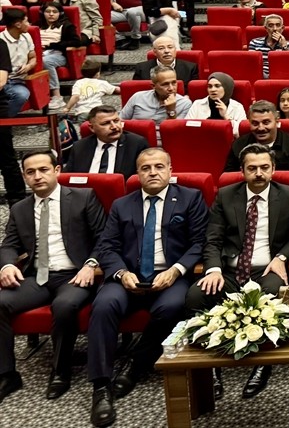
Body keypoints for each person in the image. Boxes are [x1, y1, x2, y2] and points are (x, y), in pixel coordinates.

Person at [86, 149, 209, 424]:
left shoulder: (190, 198)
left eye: (158, 166)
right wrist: (119, 273)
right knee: (104, 305)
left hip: (170, 277)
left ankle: (135, 365)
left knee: (174, 306)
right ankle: (101, 386)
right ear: (137, 173)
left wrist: (176, 271)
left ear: (170, 169)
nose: (152, 172)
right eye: (145, 168)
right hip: (128, 277)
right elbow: (107, 246)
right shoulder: (121, 205)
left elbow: (200, 243)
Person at [185, 144, 289, 399]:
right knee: (197, 296)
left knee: (271, 292)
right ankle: (211, 369)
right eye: (252, 168)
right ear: (242, 170)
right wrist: (213, 270)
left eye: (264, 168)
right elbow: (213, 238)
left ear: (273, 169)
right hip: (229, 270)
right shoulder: (227, 195)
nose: (259, 173)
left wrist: (282, 257)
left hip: (266, 268)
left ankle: (263, 364)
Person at [0, 151, 106, 404]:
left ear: (57, 170)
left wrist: (91, 264)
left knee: (65, 305)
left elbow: (105, 237)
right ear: (25, 176)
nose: (37, 176)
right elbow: (9, 245)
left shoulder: (83, 197)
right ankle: (7, 373)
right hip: (37, 277)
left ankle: (61, 370)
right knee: (0, 303)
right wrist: (5, 266)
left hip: (75, 274)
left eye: (43, 170)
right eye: (30, 172)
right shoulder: (20, 208)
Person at [226, 101, 289, 173]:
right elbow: (230, 178)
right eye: (255, 123)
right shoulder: (239, 144)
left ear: (277, 121)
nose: (261, 128)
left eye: (266, 122)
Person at [119, 66, 193, 138]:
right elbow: (121, 122)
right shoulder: (138, 97)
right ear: (153, 86)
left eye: (174, 83)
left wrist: (171, 111)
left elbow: (176, 133)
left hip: (163, 144)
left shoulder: (185, 104)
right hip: (134, 140)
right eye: (165, 84)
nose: (171, 88)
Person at [183, 72, 248, 128]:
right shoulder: (197, 104)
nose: (212, 90)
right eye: (210, 86)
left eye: (217, 86)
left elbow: (240, 132)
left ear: (227, 88)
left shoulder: (237, 107)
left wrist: (226, 116)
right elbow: (187, 127)